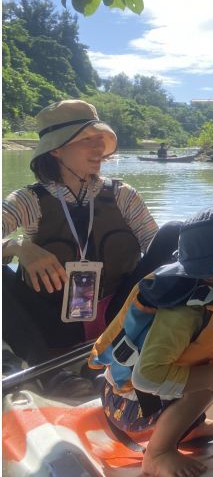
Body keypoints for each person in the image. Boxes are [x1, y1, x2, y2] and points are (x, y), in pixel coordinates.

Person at [91, 205, 213, 477]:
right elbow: (145, 377)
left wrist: (212, 374)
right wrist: (209, 377)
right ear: (212, 272)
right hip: (130, 404)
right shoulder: (184, 313)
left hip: (155, 394)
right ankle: (158, 453)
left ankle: (190, 425)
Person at [2, 100, 180, 393]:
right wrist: (19, 246)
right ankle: (48, 371)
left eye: (101, 140)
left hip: (119, 317)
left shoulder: (123, 195)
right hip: (53, 322)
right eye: (87, 140)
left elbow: (157, 248)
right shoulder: (27, 200)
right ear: (56, 149)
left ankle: (116, 357)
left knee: (174, 235)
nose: (99, 149)